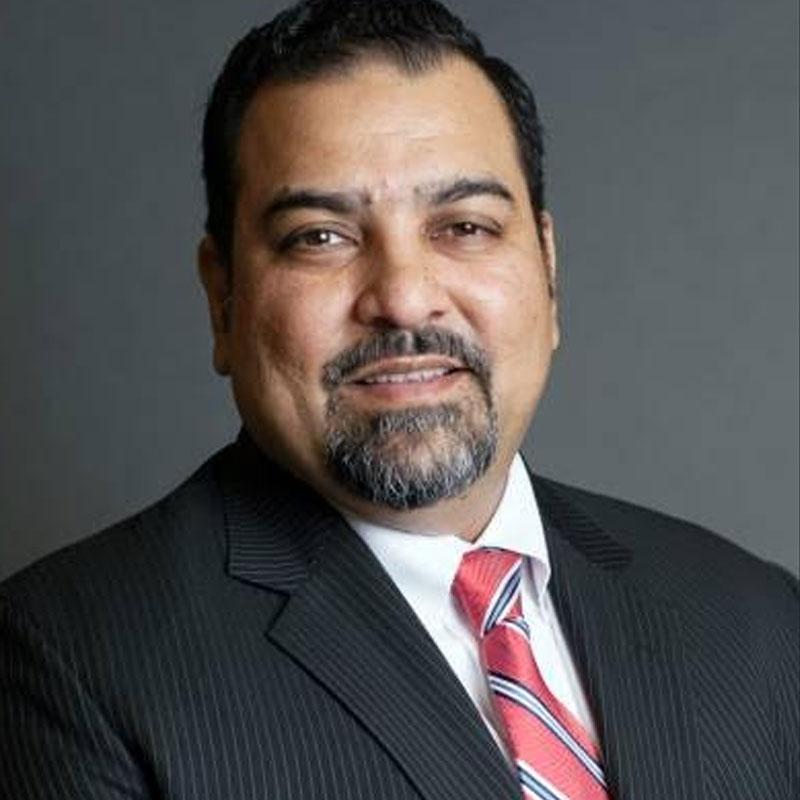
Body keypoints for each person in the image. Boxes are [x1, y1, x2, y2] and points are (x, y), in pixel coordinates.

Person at [1, 0, 797, 797]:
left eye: (465, 227)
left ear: (548, 271)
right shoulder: (66, 662)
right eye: (320, 236)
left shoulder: (755, 619)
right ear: (223, 299)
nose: (406, 298)